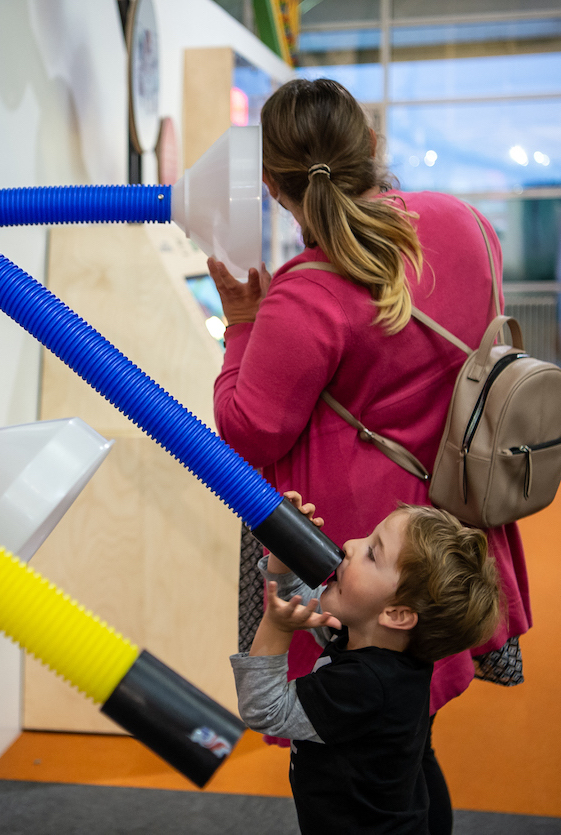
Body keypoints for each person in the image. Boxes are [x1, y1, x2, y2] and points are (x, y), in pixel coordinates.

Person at [209, 77, 532, 834]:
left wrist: (242, 328)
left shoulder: (304, 294)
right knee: (406, 725)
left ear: (271, 185)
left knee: (357, 741)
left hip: (348, 542)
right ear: (373, 146)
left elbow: (246, 430)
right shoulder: (465, 224)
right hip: (443, 525)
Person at [231, 492, 502, 834]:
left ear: (397, 614)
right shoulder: (376, 638)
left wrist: (276, 626)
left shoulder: (367, 684)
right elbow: (301, 602)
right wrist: (287, 549)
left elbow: (264, 710)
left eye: (372, 553)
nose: (350, 545)